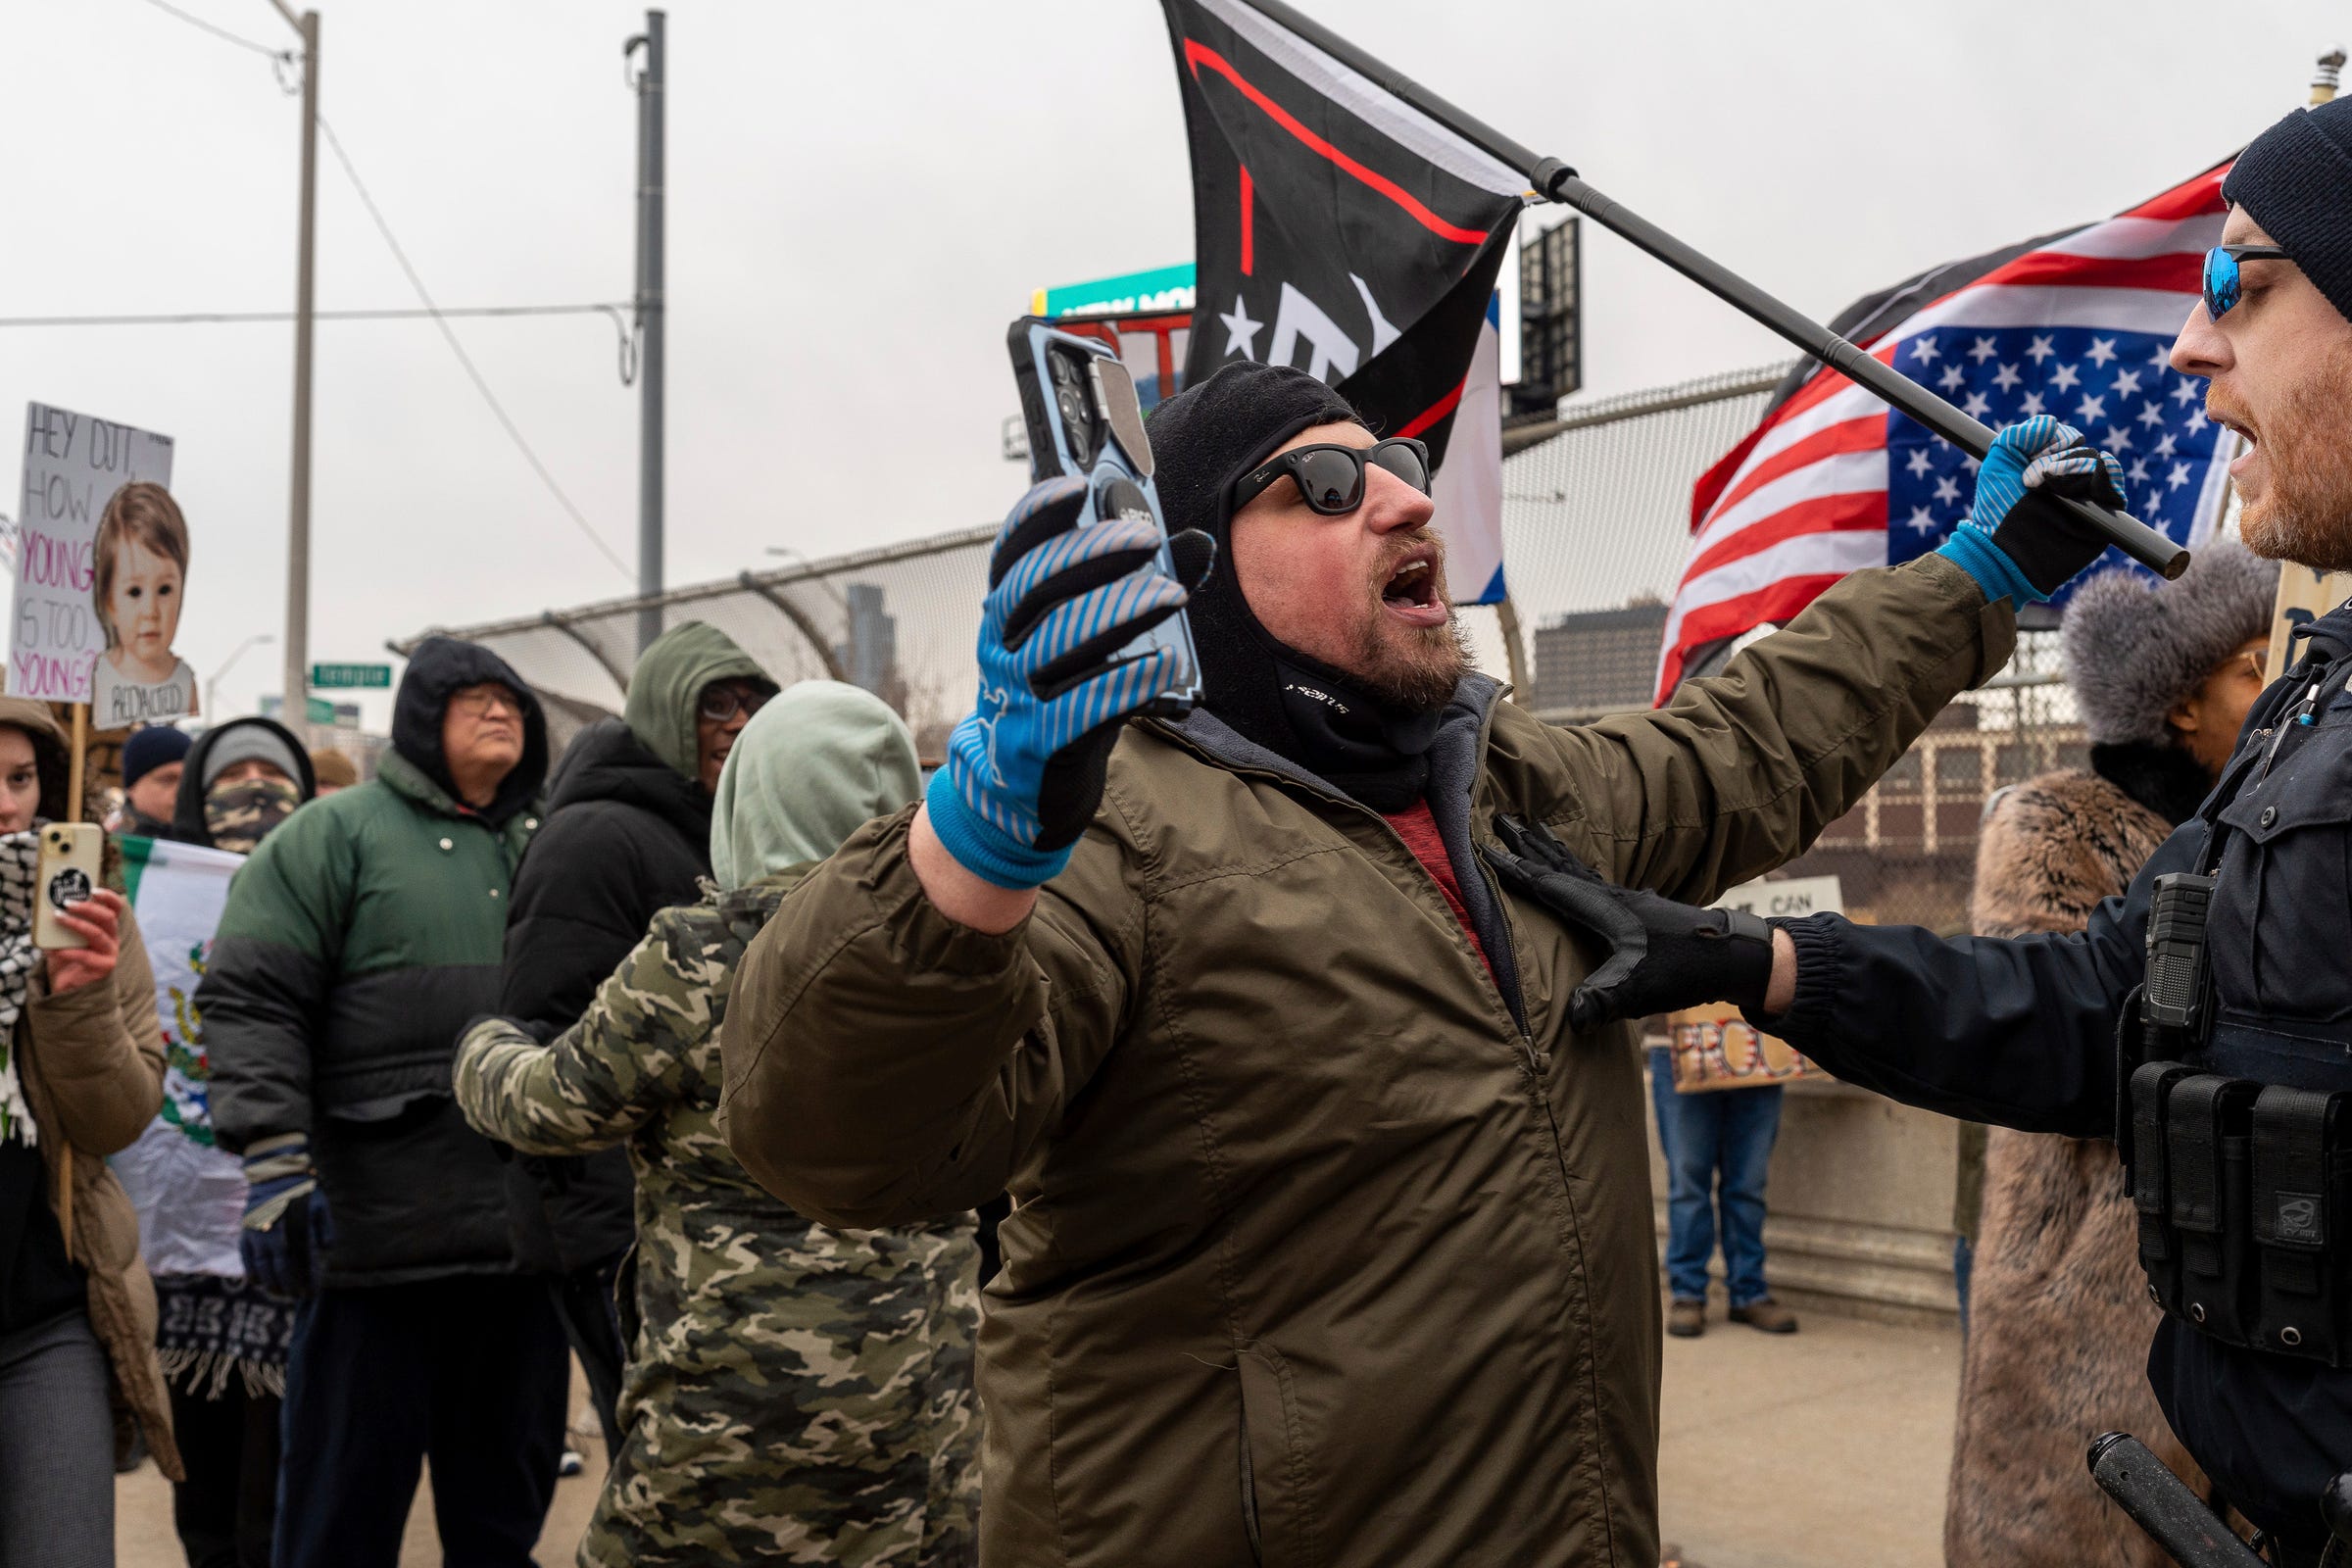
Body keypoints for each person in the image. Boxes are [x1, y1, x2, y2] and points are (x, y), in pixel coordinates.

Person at [715, 352, 2123, 1563]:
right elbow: (837, 1141)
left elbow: (1741, 743)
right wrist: (976, 839)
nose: (1401, 494)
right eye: (1318, 488)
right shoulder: (1111, 828)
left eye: (1392, 464)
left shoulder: (1511, 782)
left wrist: (1974, 575)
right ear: (1189, 568)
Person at [1559, 101, 2352, 1554]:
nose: (2188, 345)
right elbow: (2097, 1005)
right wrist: (1755, 962)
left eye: (2240, 281)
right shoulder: (2319, 715)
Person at [457, 681, 981, 1566]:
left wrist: (482, 1044)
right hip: (929, 1395)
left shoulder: (703, 953)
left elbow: (548, 1107)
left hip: (740, 1401)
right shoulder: (957, 950)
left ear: (750, 797)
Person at [1942, 540, 2274, 1568]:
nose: (2280, 686)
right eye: (2252, 667)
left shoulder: (2295, 814)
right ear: (2180, 701)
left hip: (2259, 1284)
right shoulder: (2054, 821)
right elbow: (2062, 1034)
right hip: (2086, 1280)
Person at [202, 639, 564, 1568]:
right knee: (338, 1523)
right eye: (476, 700)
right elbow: (252, 998)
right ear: (419, 717)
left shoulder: (549, 845)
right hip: (370, 1255)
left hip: (518, 1254)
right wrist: (275, 1159)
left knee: (502, 1527)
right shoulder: (331, 836)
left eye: (514, 705)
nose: (501, 716)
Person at [496, 618, 775, 1460]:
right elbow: (547, 1033)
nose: (738, 723)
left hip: (700, 1225)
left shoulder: (729, 831)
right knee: (664, 1475)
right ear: (662, 714)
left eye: (755, 704)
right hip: (615, 1231)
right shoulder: (595, 839)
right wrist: (598, 1233)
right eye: (713, 705)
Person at [112, 715, 315, 1568]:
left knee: (287, 1467)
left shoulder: (326, 876)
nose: (259, 792)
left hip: (297, 1212)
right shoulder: (148, 885)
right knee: (203, 1459)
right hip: (188, 1238)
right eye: (238, 775)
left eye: (278, 773)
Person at [0, 696, 183, 1565]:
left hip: (46, 1320)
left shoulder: (90, 908)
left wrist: (75, 1000)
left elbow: (119, 1118)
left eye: (21, 778)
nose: (6, 803)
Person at [1647, 1049, 1795, 1338]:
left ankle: (1748, 1291)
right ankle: (1688, 1292)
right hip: (1681, 1043)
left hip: (1757, 1046)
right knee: (1688, 1182)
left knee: (1748, 1184)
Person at [90, 481, 198, 728]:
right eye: (134, 591)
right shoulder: (96, 684)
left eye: (165, 590)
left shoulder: (183, 684)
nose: (150, 612)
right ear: (109, 601)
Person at [117, 722, 192, 838]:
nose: (181, 791)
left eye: (188, 780)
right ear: (132, 787)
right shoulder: (111, 848)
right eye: (168, 780)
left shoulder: (211, 840)